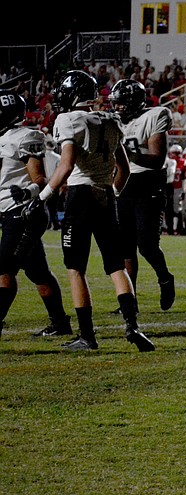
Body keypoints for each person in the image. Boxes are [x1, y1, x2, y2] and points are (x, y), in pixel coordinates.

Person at [32, 70, 154, 352]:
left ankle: (87, 336)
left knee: (75, 268)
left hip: (81, 196)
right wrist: (112, 192)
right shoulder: (110, 119)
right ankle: (132, 326)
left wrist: (43, 196)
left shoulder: (68, 119)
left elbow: (66, 165)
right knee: (115, 266)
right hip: (105, 195)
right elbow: (122, 169)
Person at [0, 89, 72, 339]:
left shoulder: (25, 136)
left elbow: (40, 180)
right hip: (8, 213)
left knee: (4, 269)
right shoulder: (4, 138)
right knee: (37, 273)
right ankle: (61, 323)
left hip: (22, 213)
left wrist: (27, 192)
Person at [108, 79, 176, 313]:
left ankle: (165, 278)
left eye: (121, 104)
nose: (117, 109)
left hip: (148, 184)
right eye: (115, 104)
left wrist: (125, 154)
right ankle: (130, 299)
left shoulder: (155, 115)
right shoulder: (115, 122)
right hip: (123, 184)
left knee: (147, 245)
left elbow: (157, 159)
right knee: (125, 248)